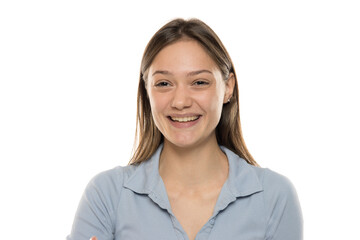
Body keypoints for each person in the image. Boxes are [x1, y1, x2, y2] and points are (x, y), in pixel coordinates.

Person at [67, 18, 303, 240]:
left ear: (228, 87)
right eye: (163, 84)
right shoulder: (106, 194)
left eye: (199, 82)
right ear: (147, 91)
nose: (180, 101)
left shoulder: (274, 195)